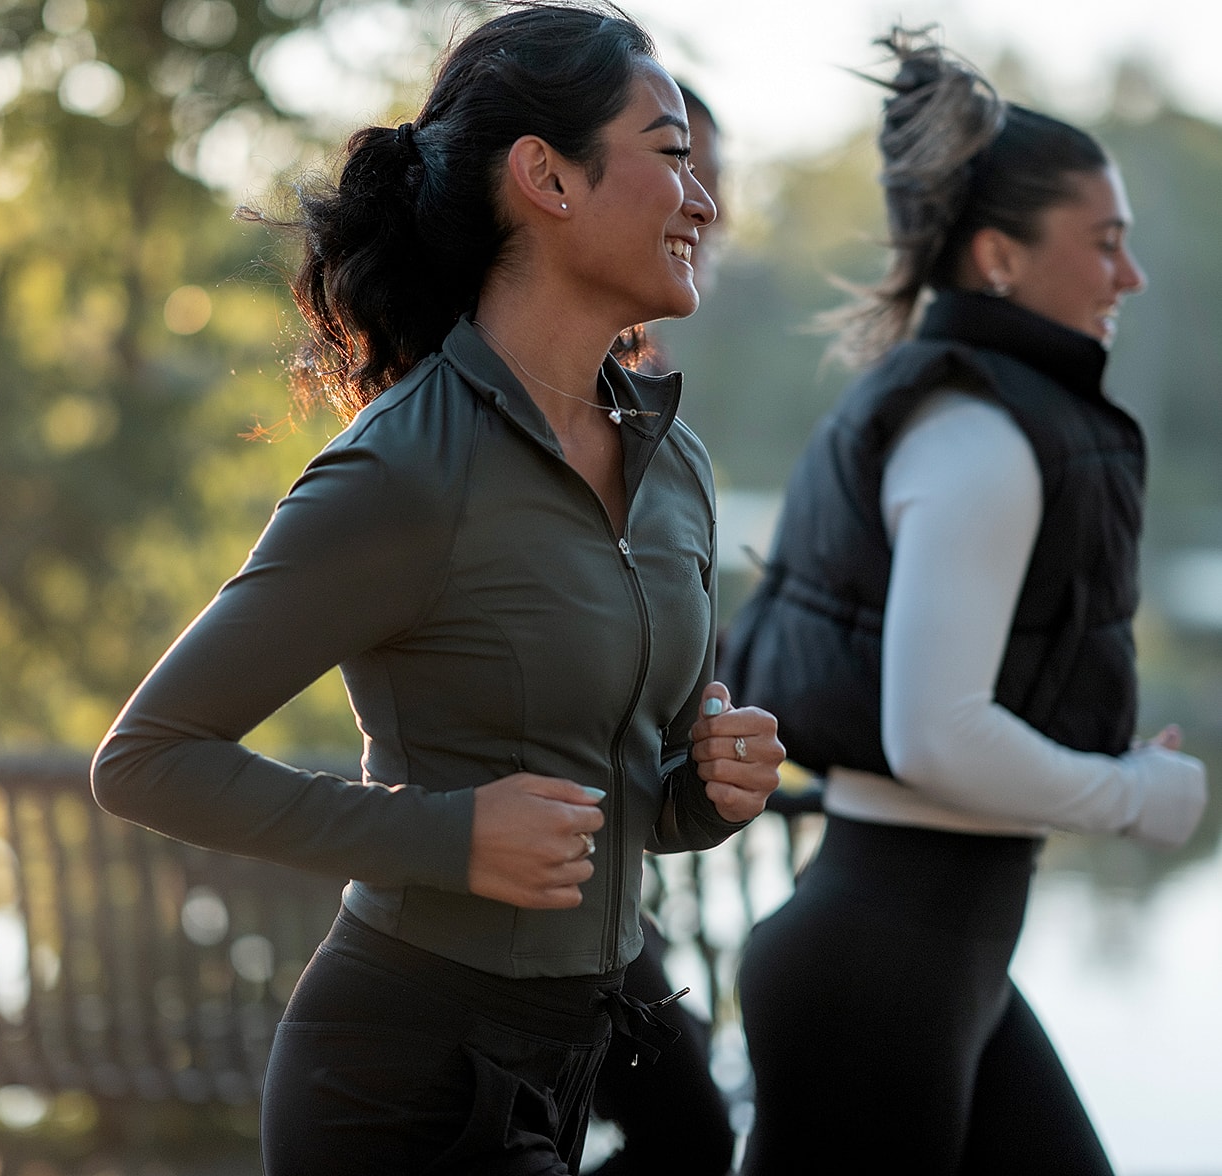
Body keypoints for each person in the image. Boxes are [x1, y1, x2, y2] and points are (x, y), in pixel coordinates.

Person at [90, 4, 784, 1174]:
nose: (703, 201)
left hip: (577, 1061)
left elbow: (623, 805)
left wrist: (705, 791)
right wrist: (444, 836)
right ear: (546, 179)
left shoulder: (678, 469)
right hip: (396, 1087)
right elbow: (146, 760)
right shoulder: (407, 466)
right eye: (671, 157)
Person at [719, 27, 1208, 1175]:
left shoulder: (985, 413)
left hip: (935, 962)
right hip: (878, 974)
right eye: (1104, 243)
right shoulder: (979, 434)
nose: (1128, 276)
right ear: (995, 258)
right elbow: (933, 736)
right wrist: (1130, 794)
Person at [585, 81, 737, 1176]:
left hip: (603, 913)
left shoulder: (662, 436)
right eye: (681, 166)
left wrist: (712, 769)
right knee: (693, 1129)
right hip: (511, 924)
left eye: (707, 171)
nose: (705, 204)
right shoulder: (499, 420)